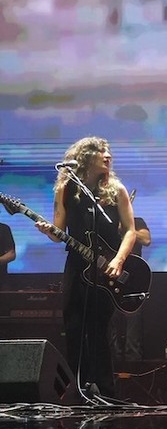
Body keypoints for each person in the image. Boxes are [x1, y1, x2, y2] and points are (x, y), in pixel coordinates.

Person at [35, 136, 138, 398]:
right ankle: (77, 390)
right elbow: (59, 232)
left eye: (108, 151)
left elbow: (130, 231)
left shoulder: (116, 190)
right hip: (77, 265)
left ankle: (106, 392)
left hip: (106, 269)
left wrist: (118, 260)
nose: (108, 155)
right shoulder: (65, 189)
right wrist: (48, 231)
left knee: (100, 330)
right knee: (74, 327)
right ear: (86, 156)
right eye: (101, 151)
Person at [109, 202, 151, 361]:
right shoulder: (108, 223)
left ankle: (133, 363)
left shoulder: (137, 221)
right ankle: (112, 361)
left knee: (133, 322)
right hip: (110, 278)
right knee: (110, 322)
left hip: (133, 279)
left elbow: (146, 239)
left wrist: (126, 229)